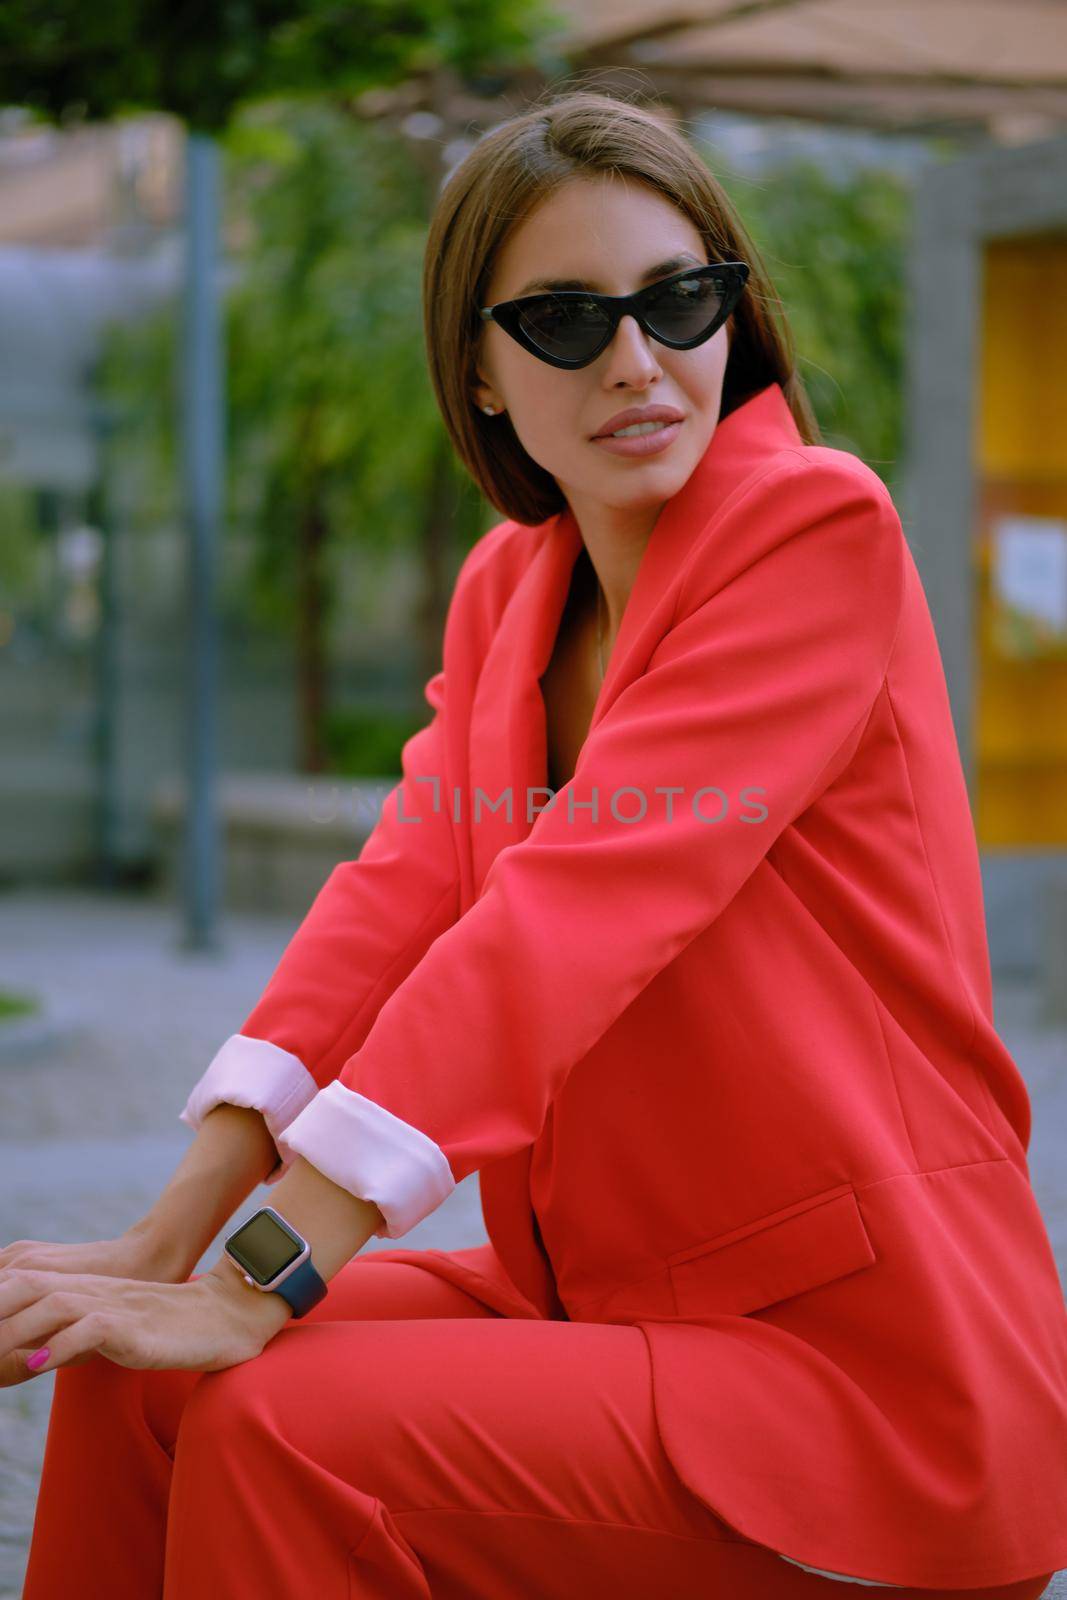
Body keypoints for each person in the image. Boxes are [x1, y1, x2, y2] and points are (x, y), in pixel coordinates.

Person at [5, 86, 1066, 1600]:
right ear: (483, 372)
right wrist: (167, 1241)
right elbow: (400, 902)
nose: (636, 362)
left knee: (286, 1426)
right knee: (134, 1376)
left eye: (678, 301)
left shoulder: (814, 532)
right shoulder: (513, 589)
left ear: (730, 315)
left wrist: (272, 1271)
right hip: (609, 1300)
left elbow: (570, 920)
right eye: (565, 320)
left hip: (863, 1365)